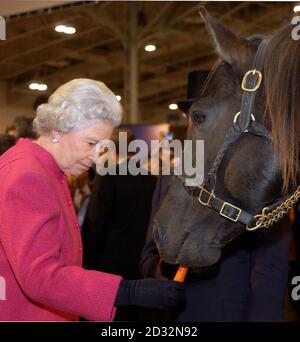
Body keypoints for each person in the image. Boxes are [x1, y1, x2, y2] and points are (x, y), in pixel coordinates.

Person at [0, 78, 184, 321]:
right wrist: (127, 291)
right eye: (91, 143)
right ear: (57, 130)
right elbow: (40, 276)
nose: (97, 158)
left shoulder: (41, 168)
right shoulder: (29, 175)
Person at [140, 70, 292, 322]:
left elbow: (269, 270)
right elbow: (147, 254)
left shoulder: (257, 181)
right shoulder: (168, 180)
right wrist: (161, 273)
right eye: (198, 117)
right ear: (187, 117)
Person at [82, 127, 158, 321]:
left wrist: (86, 258)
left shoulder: (108, 176)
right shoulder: (152, 179)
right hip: (140, 263)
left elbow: (95, 221)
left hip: (108, 263)